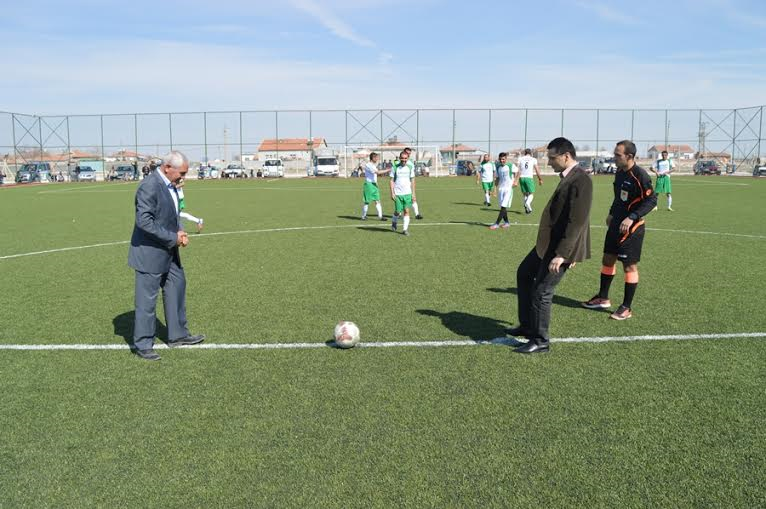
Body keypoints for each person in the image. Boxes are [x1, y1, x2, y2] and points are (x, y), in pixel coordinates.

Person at [508, 137, 593, 354]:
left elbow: (578, 220)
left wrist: (564, 254)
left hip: (560, 249)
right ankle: (528, 326)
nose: (549, 162)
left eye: (552, 158)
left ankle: (541, 340)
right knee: (524, 273)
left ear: (566, 156)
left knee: (542, 291)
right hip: (548, 244)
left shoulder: (581, 180)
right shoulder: (568, 177)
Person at [128, 151, 205, 360]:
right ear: (167, 168)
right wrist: (173, 237)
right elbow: (144, 222)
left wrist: (179, 231)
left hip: (169, 250)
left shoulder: (172, 185)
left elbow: (172, 214)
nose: (183, 177)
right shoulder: (149, 186)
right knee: (147, 300)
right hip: (149, 252)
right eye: (181, 173)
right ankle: (143, 344)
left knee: (177, 285)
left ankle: (178, 335)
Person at [582, 140, 657, 321]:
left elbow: (652, 200)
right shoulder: (620, 173)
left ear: (629, 156)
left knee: (629, 266)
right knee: (608, 258)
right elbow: (619, 198)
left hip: (632, 228)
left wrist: (632, 217)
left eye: (618, 155)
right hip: (616, 223)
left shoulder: (640, 176)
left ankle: (626, 307)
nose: (614, 157)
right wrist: (611, 213)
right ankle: (603, 297)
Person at [489, 152, 519, 230]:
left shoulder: (510, 165)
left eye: (503, 159)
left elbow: (518, 172)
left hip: (508, 189)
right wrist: (495, 189)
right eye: (500, 159)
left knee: (503, 206)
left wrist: (516, 181)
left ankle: (496, 224)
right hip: (501, 189)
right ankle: (507, 222)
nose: (502, 160)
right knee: (503, 207)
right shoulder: (498, 166)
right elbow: (497, 179)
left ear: (506, 159)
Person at [390, 150, 416, 236]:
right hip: (398, 193)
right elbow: (391, 181)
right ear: (400, 158)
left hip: (407, 193)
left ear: (407, 158)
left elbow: (412, 180)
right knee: (397, 211)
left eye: (405, 158)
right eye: (402, 158)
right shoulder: (395, 167)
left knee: (406, 211)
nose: (404, 160)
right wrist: (392, 193)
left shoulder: (410, 167)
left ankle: (405, 229)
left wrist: (413, 194)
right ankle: (394, 221)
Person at [361, 152, 388, 221]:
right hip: (369, 185)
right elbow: (378, 172)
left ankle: (380, 217)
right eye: (376, 158)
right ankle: (363, 216)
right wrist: (388, 170)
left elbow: (375, 175)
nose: (377, 159)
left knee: (377, 200)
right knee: (367, 201)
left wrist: (376, 183)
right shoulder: (369, 165)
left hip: (374, 185)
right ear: (373, 158)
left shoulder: (372, 165)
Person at [517, 148, 544, 214]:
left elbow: (517, 169)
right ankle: (527, 203)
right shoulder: (533, 159)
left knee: (525, 194)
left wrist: (516, 179)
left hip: (521, 178)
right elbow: (537, 170)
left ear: (524, 153)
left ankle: (527, 209)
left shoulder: (520, 159)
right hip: (529, 178)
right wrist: (540, 179)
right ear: (531, 153)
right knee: (531, 193)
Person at [403, 147, 424, 219]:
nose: (408, 155)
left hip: (409, 183)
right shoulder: (397, 162)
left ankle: (417, 214)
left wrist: (412, 185)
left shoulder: (410, 163)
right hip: (400, 184)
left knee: (413, 198)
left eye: (409, 154)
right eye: (407, 153)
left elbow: (412, 176)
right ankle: (399, 214)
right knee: (401, 200)